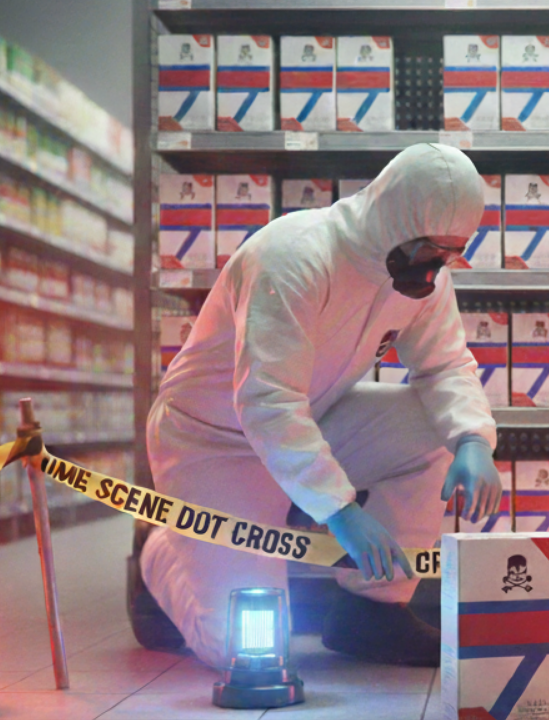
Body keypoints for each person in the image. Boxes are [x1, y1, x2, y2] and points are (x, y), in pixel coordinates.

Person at [139, 144, 502, 668]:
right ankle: (161, 553)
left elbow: (444, 365)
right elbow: (267, 400)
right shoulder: (292, 255)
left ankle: (371, 612)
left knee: (437, 428)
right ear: (393, 217)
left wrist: (472, 439)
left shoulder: (423, 279)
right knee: (243, 650)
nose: (435, 266)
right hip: (212, 442)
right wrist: (339, 508)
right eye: (429, 249)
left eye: (451, 253)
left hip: (314, 417)